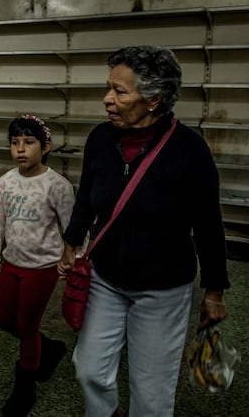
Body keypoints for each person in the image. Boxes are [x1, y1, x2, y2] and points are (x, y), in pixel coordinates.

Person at [58, 45, 230, 417]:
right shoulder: (100, 140)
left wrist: (214, 289)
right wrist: (71, 241)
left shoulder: (190, 151)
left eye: (120, 92)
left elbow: (208, 226)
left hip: (163, 289)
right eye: (109, 88)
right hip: (105, 277)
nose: (107, 99)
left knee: (151, 395)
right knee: (89, 370)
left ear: (153, 100)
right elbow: (87, 196)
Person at [0, 114, 76, 417]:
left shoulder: (58, 186)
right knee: (2, 319)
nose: (20, 149)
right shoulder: (5, 183)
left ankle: (24, 391)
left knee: (27, 326)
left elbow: (74, 230)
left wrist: (73, 258)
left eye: (29, 142)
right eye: (14, 143)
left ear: (45, 146)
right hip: (12, 264)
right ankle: (49, 348)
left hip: (43, 267)